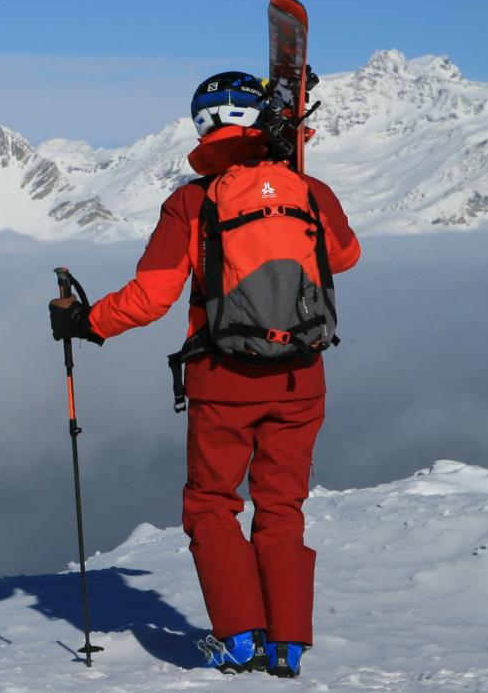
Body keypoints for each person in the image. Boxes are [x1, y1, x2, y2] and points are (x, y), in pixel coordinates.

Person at [48, 72, 360, 679]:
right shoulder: (310, 189)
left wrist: (88, 323)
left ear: (203, 129)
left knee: (212, 505)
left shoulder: (193, 201)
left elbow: (151, 295)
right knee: (282, 506)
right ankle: (288, 645)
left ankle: (241, 638)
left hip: (222, 381)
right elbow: (344, 256)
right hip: (302, 378)